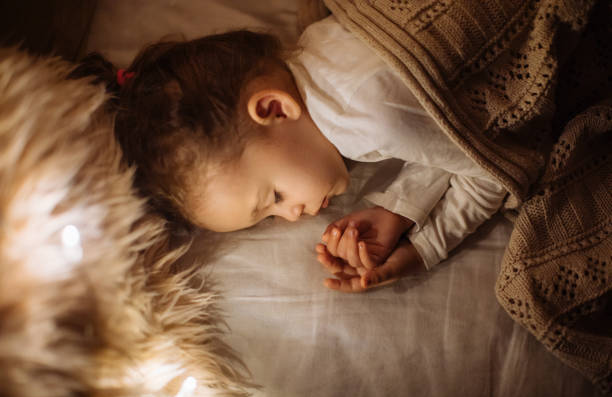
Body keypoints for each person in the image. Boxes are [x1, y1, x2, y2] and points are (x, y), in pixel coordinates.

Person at [76, 15, 506, 293]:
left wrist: (424, 249)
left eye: (274, 198)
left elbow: (499, 168)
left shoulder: (371, 116)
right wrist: (396, 212)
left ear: (274, 108)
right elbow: (446, 137)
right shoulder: (319, 43)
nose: (293, 215)